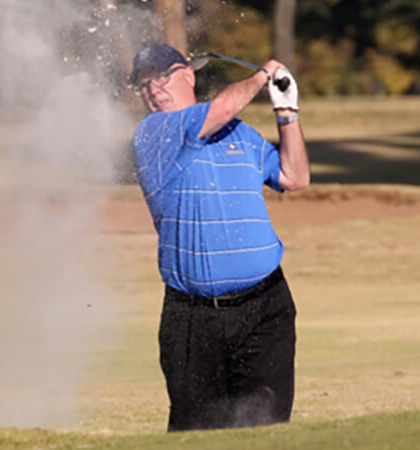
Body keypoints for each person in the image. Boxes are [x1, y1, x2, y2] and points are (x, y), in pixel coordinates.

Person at [129, 44, 311, 432]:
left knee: (266, 430)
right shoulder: (154, 134)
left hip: (266, 309)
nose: (153, 88)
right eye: (143, 84)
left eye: (162, 76)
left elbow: (295, 177)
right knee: (197, 434)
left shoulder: (240, 135)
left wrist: (287, 114)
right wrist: (263, 76)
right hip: (193, 321)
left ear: (189, 74)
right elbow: (224, 107)